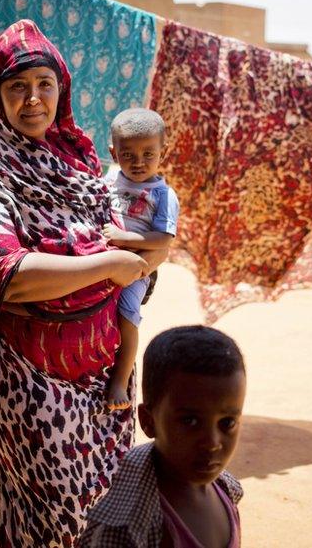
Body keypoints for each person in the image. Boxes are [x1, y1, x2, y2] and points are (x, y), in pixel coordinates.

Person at [0, 19, 167, 547]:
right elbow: (2, 275)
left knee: (101, 511)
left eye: (44, 83)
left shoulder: (80, 159)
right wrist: (108, 266)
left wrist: (130, 252)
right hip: (28, 386)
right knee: (48, 521)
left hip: (103, 384)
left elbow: (118, 234)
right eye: (17, 87)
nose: (33, 99)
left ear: (61, 87)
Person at [81, 325, 246, 547]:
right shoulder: (125, 530)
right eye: (190, 421)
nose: (212, 443)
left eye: (227, 423)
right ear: (148, 421)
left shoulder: (225, 487)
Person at [101, 107, 179, 410]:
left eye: (149, 154)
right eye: (128, 154)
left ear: (164, 152)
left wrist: (125, 240)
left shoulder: (162, 195)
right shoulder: (109, 180)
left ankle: (120, 380)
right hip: (101, 261)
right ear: (113, 152)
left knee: (126, 317)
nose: (138, 162)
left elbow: (163, 239)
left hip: (137, 269)